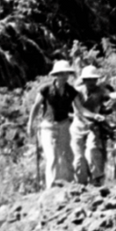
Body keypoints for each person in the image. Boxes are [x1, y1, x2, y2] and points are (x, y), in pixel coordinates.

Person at [27, 60, 79, 190]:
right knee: (52, 156)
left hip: (64, 125)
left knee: (67, 155)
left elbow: (80, 108)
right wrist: (30, 124)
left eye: (66, 73)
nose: (64, 76)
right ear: (56, 75)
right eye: (61, 74)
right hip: (48, 126)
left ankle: (70, 185)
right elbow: (36, 106)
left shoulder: (71, 91)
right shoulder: (46, 89)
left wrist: (93, 116)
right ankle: (51, 187)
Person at [71, 65, 116, 186]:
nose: (91, 82)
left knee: (92, 150)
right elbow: (78, 111)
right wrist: (91, 120)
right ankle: (81, 183)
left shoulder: (100, 91)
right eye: (88, 79)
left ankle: (97, 179)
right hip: (79, 124)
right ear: (84, 80)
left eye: (93, 79)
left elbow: (108, 102)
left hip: (94, 125)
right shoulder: (76, 92)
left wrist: (113, 101)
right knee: (79, 157)